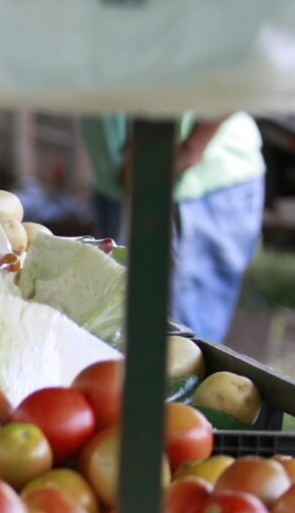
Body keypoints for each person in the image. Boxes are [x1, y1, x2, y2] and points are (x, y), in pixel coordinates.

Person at [81, 114, 266, 343]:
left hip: (191, 189)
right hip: (117, 188)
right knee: (115, 332)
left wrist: (191, 148)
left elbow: (241, 77)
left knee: (177, 344)